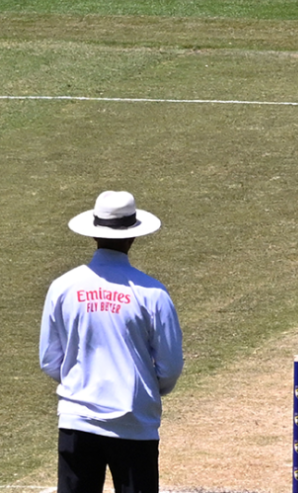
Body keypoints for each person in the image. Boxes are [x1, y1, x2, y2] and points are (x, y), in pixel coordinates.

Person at [39, 190, 185, 493]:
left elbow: (49, 359)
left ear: (94, 235)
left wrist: (80, 381)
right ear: (133, 236)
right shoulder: (152, 293)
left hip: (77, 420)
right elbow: (169, 366)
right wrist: (145, 388)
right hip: (134, 422)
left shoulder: (63, 287)